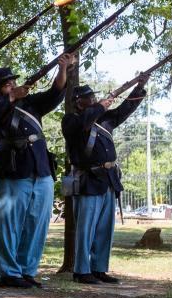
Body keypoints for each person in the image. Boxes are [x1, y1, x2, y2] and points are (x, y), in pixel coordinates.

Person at [0, 55, 75, 288]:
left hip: (40, 167)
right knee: (9, 223)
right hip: (13, 169)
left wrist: (63, 68)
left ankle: (27, 270)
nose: (12, 85)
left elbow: (56, 92)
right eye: (6, 84)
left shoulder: (31, 104)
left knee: (37, 223)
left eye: (13, 82)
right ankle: (9, 273)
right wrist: (11, 97)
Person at [62, 78, 148, 284]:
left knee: (104, 229)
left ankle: (99, 268)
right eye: (88, 98)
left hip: (108, 179)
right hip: (87, 180)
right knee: (86, 229)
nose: (92, 99)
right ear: (77, 102)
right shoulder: (71, 120)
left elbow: (125, 110)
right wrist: (100, 105)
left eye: (93, 96)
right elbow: (84, 123)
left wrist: (139, 87)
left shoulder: (104, 119)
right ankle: (81, 271)